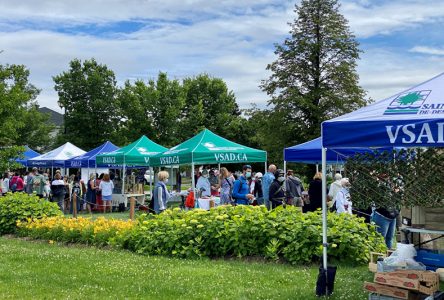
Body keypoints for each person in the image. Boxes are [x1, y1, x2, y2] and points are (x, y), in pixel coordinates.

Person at [371, 173, 399, 249]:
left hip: (392, 216)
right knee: (381, 238)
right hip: (382, 216)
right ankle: (380, 257)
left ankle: (388, 257)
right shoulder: (378, 187)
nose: (388, 178)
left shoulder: (391, 186)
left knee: (390, 238)